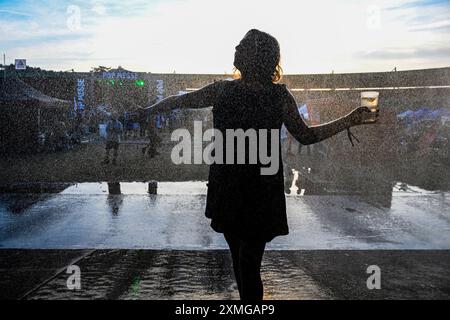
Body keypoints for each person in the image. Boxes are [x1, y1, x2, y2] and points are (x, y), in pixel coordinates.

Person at [144, 29, 379, 300]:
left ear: (256, 55)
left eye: (242, 45)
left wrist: (348, 120)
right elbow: (305, 135)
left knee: (246, 263)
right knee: (241, 261)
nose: (235, 47)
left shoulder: (229, 92)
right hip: (247, 185)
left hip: (241, 186)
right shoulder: (266, 95)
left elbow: (304, 135)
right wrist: (149, 111)